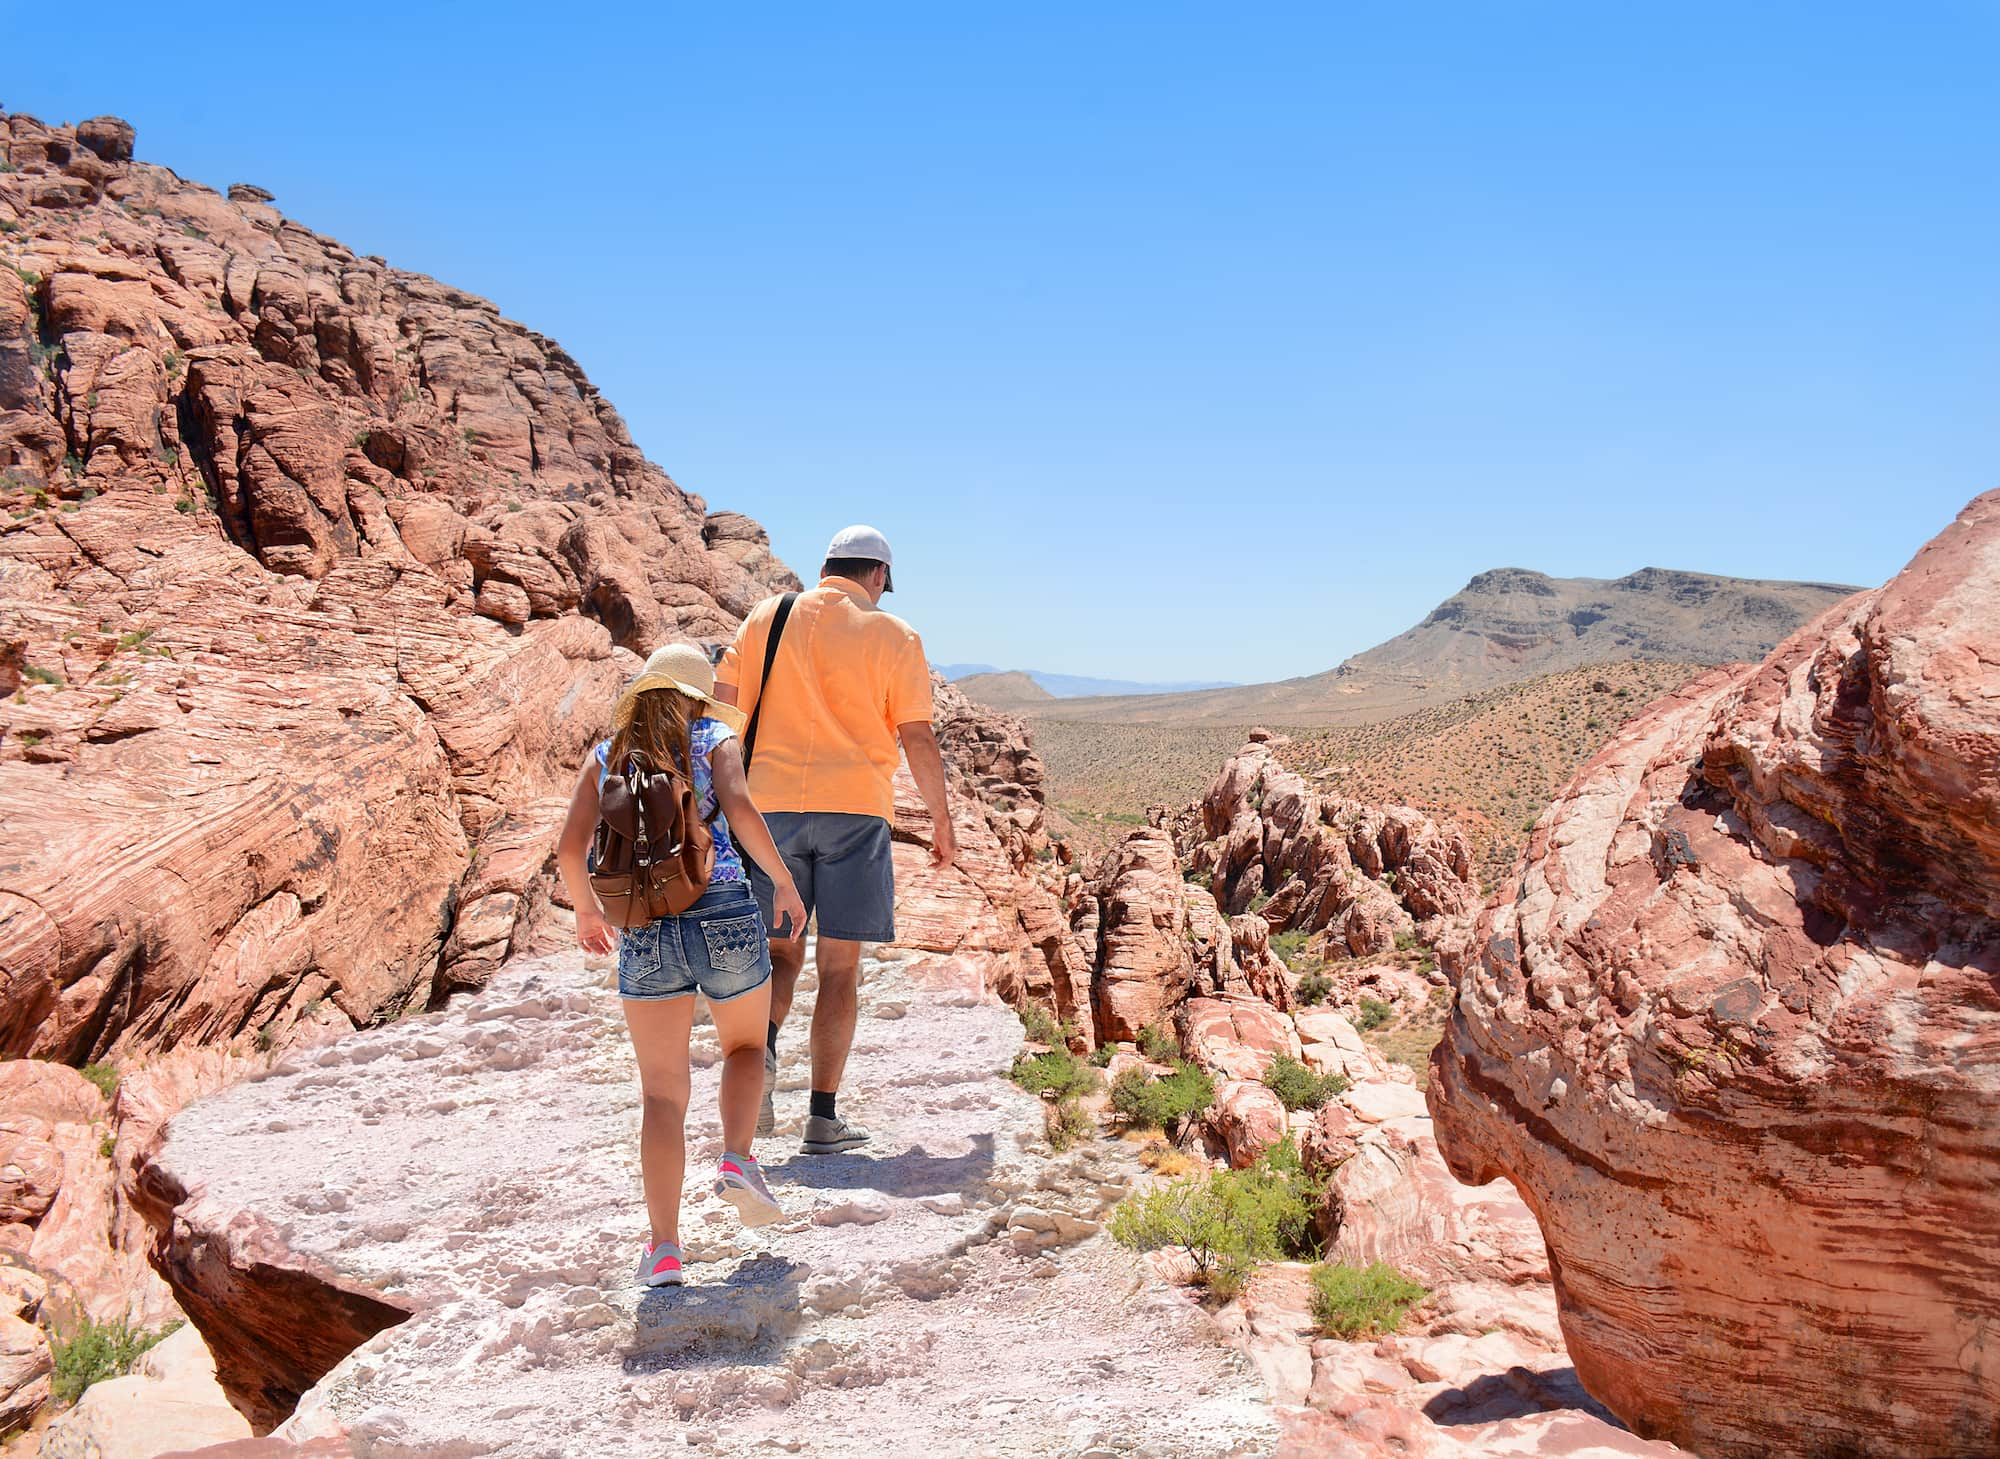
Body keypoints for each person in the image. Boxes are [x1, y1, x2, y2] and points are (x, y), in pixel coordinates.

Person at [556, 643, 809, 1288]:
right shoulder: (715, 736)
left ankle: (664, 1250)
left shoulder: (607, 755)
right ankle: (735, 1159)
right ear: (696, 697)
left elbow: (569, 849)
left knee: (662, 1092)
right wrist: (782, 881)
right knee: (746, 1044)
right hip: (722, 903)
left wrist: (588, 913)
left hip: (644, 922)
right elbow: (743, 811)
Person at [715, 525, 956, 1155]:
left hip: (769, 814)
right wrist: (941, 820)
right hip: (855, 813)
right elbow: (917, 738)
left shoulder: (766, 617)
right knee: (840, 968)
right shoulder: (894, 635)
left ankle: (761, 1059)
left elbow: (721, 717)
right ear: (877, 575)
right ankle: (822, 1118)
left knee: (780, 954)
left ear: (826, 566)